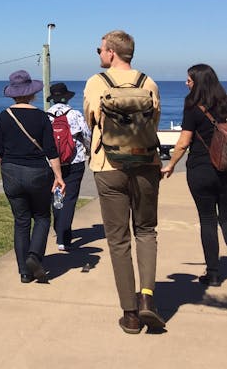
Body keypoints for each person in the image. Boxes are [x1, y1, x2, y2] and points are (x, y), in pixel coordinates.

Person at [83, 30, 165, 334]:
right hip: (146, 164)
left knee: (118, 240)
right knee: (146, 230)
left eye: (100, 49)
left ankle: (130, 314)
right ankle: (147, 299)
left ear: (112, 52)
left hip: (108, 165)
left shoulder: (96, 83)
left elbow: (91, 119)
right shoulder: (149, 83)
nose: (99, 54)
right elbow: (153, 124)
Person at [0, 70, 66, 284]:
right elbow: (51, 150)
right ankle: (34, 256)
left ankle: (24, 272)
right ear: (32, 93)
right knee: (42, 216)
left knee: (21, 221)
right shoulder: (41, 117)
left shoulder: (3, 116)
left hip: (11, 173)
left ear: (13, 94)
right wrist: (59, 176)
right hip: (37, 173)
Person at [161, 64, 227, 287]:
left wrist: (170, 165)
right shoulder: (225, 104)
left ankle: (213, 273)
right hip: (225, 169)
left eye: (189, 80)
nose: (186, 83)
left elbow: (183, 142)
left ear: (197, 82)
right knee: (226, 219)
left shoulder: (192, 107)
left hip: (201, 169)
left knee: (207, 220)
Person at [47, 82, 91, 251]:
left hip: (53, 164)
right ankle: (63, 238)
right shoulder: (75, 115)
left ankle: (59, 230)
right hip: (75, 162)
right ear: (66, 98)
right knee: (70, 199)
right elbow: (86, 136)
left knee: (57, 197)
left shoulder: (46, 116)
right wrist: (88, 151)